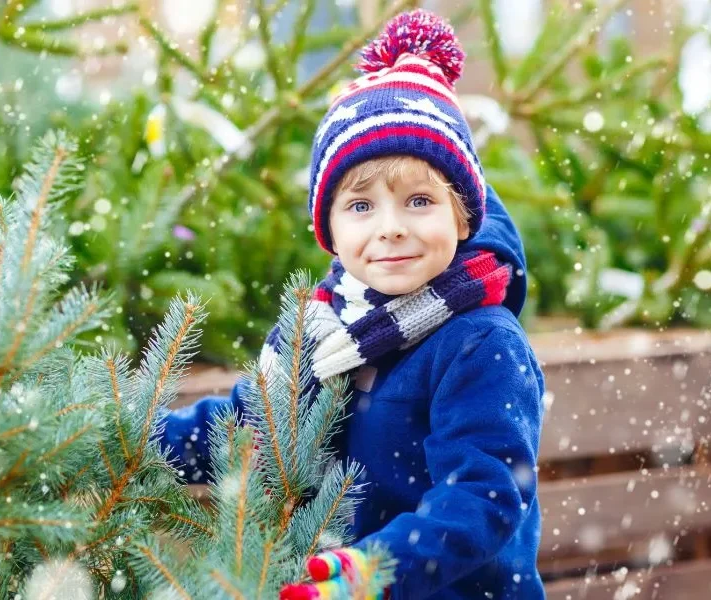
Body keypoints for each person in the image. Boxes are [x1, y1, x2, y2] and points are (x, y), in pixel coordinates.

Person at [162, 10, 545, 599]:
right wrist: (138, 438)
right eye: (361, 206)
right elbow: (249, 425)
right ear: (330, 231)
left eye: (419, 200)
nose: (390, 228)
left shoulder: (479, 343)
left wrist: (368, 571)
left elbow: (482, 497)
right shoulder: (325, 325)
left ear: (461, 216)